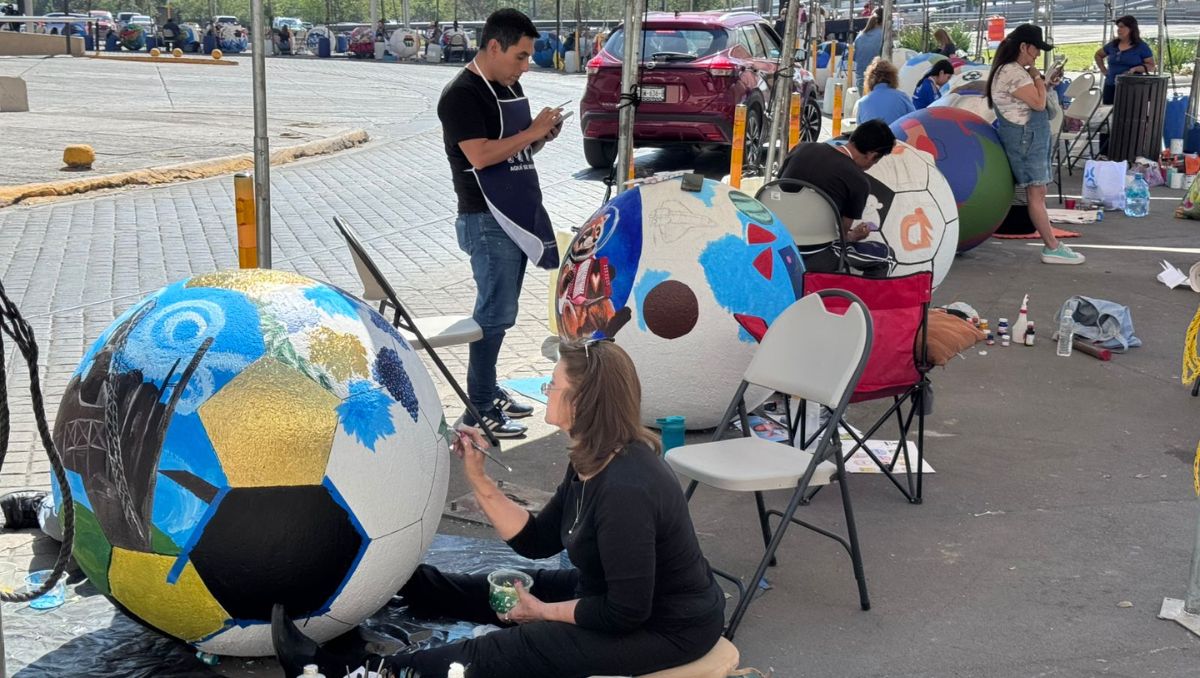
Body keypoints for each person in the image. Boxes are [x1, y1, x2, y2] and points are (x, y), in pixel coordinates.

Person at [272, 339, 727, 678]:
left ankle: (363, 673)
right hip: (609, 594)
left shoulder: (627, 488)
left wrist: (542, 611)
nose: (546, 390)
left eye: (554, 384)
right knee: (501, 587)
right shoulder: (594, 456)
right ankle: (403, 584)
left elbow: (625, 613)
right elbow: (537, 541)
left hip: (668, 627)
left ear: (582, 402)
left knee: (522, 644)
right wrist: (478, 478)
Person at [431, 9, 564, 438]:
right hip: (485, 219)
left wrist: (540, 137)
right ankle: (479, 407)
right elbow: (482, 155)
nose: (525, 66)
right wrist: (531, 132)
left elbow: (515, 153)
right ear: (493, 46)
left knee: (502, 314)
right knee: (493, 314)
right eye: (520, 57)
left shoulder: (508, 85)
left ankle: (487, 390)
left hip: (515, 215)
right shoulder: (461, 96)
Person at [987, 24, 1084, 265]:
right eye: (1035, 49)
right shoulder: (1013, 72)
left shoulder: (1011, 70)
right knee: (1036, 193)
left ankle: (1052, 245)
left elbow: (1032, 100)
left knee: (1038, 192)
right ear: (1023, 47)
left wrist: (1045, 82)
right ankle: (1052, 246)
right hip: (1026, 139)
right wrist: (1036, 77)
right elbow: (1039, 104)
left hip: (1028, 137)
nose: (1037, 55)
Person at [778, 119, 898, 276]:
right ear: (872, 155)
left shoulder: (801, 148)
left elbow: (778, 187)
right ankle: (851, 300)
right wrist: (854, 236)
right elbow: (841, 235)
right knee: (886, 257)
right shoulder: (859, 180)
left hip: (778, 241)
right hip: (813, 254)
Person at [1094, 15, 1155, 106]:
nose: (1119, 30)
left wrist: (1136, 69)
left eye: (1122, 27)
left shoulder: (1141, 47)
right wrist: (1104, 71)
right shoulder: (1113, 45)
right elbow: (1098, 55)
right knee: (1108, 114)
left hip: (1132, 88)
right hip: (1110, 85)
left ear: (1131, 28)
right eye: (1118, 27)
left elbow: (1151, 66)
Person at [857, 58, 915, 125]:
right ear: (893, 77)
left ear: (869, 79)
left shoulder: (862, 103)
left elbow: (860, 128)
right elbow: (914, 121)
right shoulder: (902, 97)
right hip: (896, 135)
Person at [852, 9, 884, 85]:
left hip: (860, 77)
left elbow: (854, 56)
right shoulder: (883, 35)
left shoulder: (860, 35)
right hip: (878, 78)